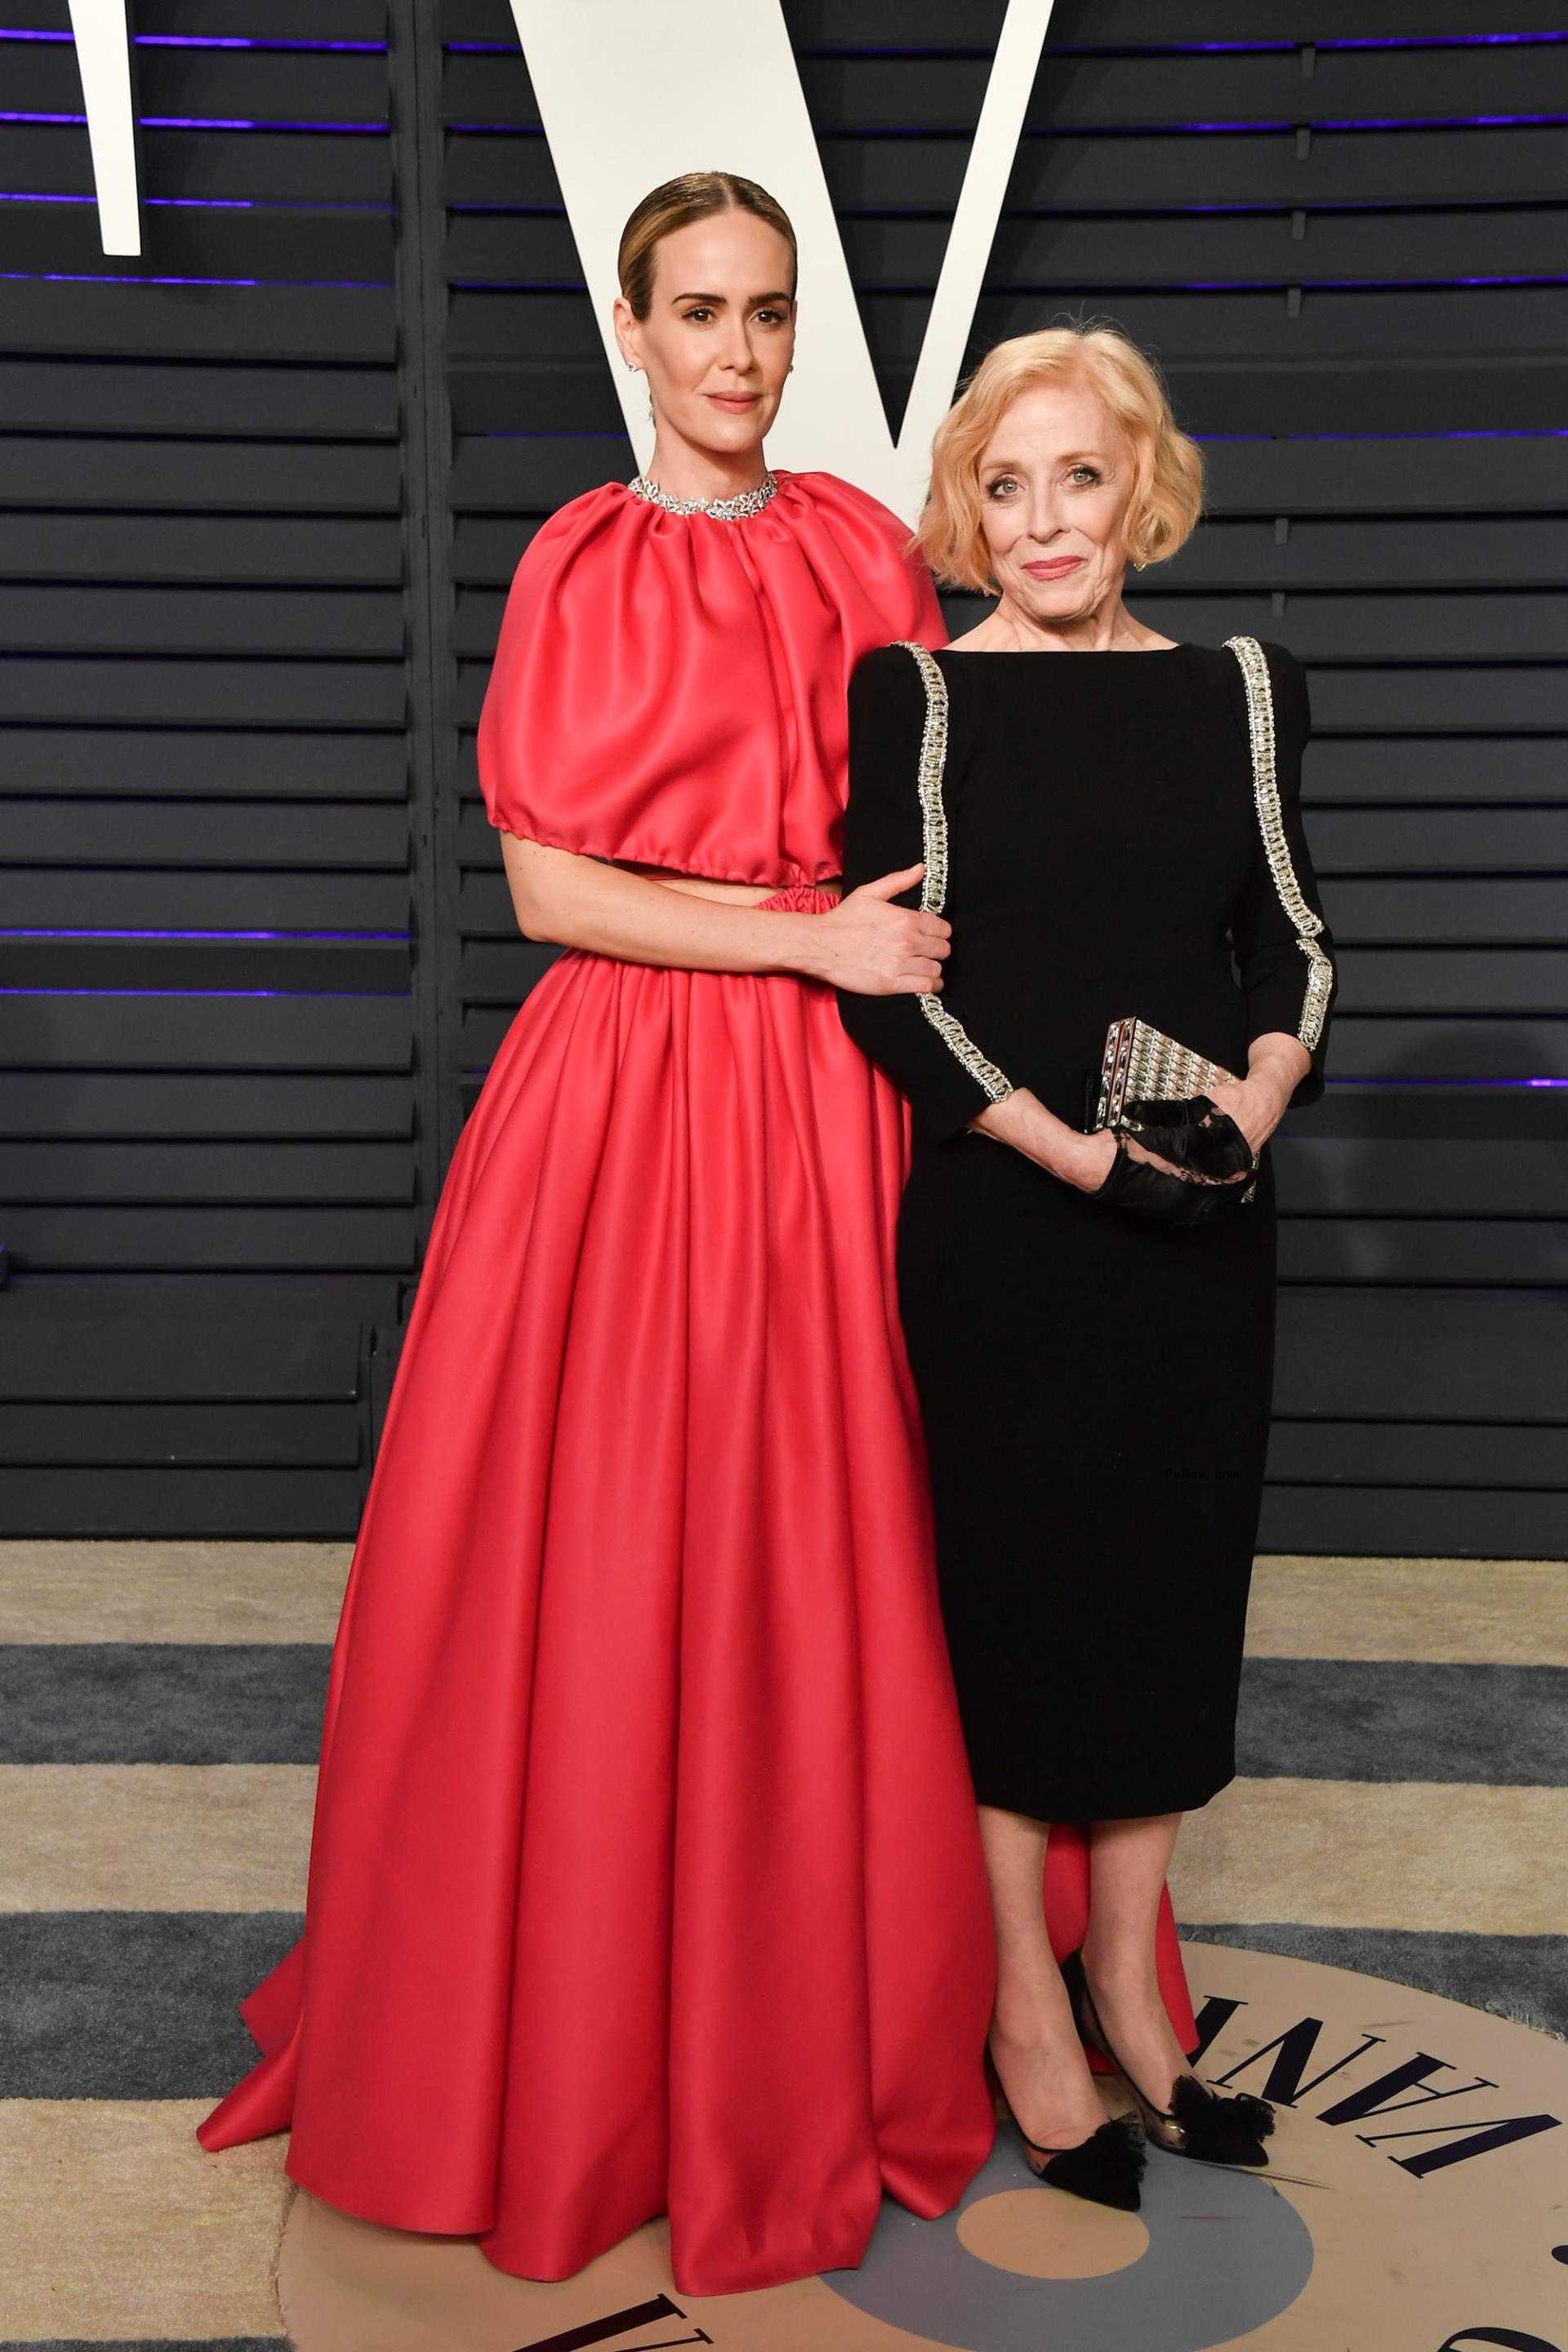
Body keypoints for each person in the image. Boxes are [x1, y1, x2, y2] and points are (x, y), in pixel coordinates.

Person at [197, 172, 998, 2296]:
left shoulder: (859, 544)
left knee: (831, 1554)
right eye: (699, 313)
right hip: (629, 1100)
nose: (737, 352)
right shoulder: (580, 558)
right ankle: (566, 2044)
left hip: (833, 1110)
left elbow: (961, 785)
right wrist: (804, 934)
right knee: (603, 1551)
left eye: (767, 312)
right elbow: (554, 891)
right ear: (631, 330)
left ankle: (819, 2022)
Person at [839, 323, 1336, 2212]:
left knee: (1163, 1598)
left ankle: (1132, 1987)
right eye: (1008, 485)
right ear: (971, 508)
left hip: (1205, 1227)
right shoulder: (919, 696)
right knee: (1019, 1609)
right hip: (1010, 1225)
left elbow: (1291, 939)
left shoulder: (1244, 689)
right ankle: (1021, 2021)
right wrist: (1075, 1155)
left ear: (1144, 488)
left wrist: (1251, 1108)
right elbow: (901, 994)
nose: (1046, 522)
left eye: (1080, 477)